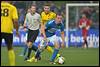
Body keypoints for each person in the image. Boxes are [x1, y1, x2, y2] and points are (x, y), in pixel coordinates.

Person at [1, 1, 19, 66]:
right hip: (8, 30)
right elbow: (16, 21)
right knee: (10, 48)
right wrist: (17, 30)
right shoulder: (12, 8)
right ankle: (12, 65)